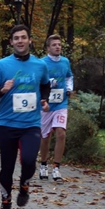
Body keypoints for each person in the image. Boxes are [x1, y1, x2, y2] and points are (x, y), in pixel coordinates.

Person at [0, 24, 50, 209]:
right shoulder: (2, 65)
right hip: (6, 124)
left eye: (23, 37)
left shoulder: (40, 65)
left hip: (31, 124)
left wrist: (44, 99)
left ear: (29, 40)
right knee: (7, 166)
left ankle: (24, 184)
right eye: (16, 38)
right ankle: (5, 203)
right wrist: (2, 90)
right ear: (11, 42)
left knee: (29, 160)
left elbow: (45, 84)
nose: (20, 41)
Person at [39, 34, 73, 182]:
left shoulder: (65, 61)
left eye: (59, 44)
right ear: (48, 48)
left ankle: (57, 167)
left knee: (61, 134)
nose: (57, 47)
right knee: (45, 137)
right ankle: (43, 164)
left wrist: (69, 88)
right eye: (54, 45)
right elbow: (38, 81)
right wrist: (48, 83)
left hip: (61, 103)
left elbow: (68, 76)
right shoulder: (41, 63)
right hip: (46, 105)